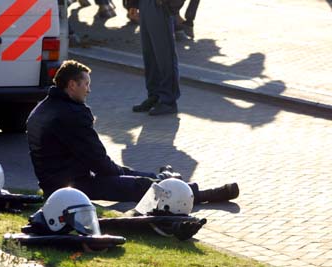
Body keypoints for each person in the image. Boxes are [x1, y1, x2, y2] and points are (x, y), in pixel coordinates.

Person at [26, 60, 239, 203]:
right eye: (86, 84)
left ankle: (165, 177)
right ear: (72, 85)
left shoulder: (41, 108)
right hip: (72, 185)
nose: (89, 90)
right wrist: (122, 176)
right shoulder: (71, 114)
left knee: (125, 172)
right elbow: (98, 162)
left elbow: (95, 161)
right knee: (140, 187)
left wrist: (120, 172)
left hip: (54, 182)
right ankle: (198, 193)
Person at [127, 0, 183, 115]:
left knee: (165, 55)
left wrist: (171, 6)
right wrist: (133, 3)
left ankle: (168, 101)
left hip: (161, 5)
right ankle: (155, 95)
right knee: (150, 54)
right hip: (145, 4)